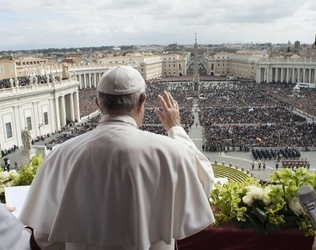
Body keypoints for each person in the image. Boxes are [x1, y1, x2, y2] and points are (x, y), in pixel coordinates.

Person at [19, 65, 215, 250]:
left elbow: (44, 236)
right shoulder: (171, 152)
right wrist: (175, 128)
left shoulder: (61, 154)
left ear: (97, 103)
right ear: (142, 102)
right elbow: (204, 183)